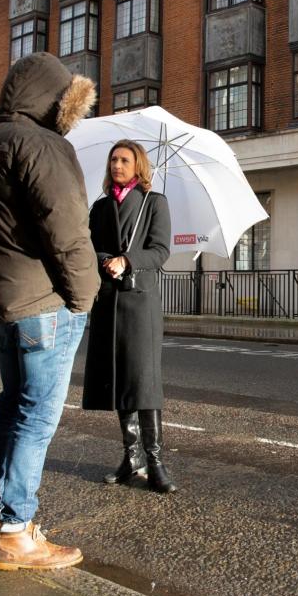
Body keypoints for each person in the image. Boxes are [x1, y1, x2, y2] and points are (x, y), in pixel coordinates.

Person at [0, 52, 100, 570]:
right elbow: (67, 231)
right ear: (57, 100)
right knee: (36, 417)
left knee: (11, 408)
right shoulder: (43, 145)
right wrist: (84, 298)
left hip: (3, 301)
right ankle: (17, 532)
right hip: (45, 303)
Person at [82, 139, 177, 494]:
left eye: (123, 160)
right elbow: (88, 246)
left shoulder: (155, 202)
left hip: (141, 302)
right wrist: (107, 257)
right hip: (109, 301)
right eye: (113, 160)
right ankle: (130, 458)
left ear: (138, 165)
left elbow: (161, 250)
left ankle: (155, 462)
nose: (116, 165)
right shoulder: (101, 206)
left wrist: (129, 260)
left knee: (143, 381)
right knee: (120, 380)